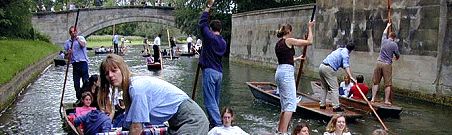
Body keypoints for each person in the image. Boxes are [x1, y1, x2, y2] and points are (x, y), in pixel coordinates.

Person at [98, 54, 209, 134]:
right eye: (106, 73)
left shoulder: (136, 88)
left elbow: (137, 127)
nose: (110, 76)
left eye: (114, 70)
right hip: (175, 122)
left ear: (122, 69)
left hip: (191, 119)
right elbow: (129, 125)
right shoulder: (130, 90)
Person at [274, 22, 314, 134]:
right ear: (289, 31)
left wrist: (297, 58)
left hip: (280, 71)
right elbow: (309, 42)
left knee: (284, 105)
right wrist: (310, 27)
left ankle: (279, 130)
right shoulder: (289, 40)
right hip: (286, 74)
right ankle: (283, 132)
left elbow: (285, 59)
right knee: (291, 105)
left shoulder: (278, 44)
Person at [198, 0, 227, 128]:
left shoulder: (210, 37)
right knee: (215, 101)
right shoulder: (223, 42)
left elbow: (201, 24)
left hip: (209, 72)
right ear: (220, 29)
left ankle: (219, 125)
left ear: (211, 29)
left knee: (209, 102)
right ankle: (213, 124)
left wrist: (208, 8)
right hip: (219, 73)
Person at [319, 41, 356, 112]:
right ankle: (336, 106)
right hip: (328, 69)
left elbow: (341, 64)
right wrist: (350, 76)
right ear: (351, 50)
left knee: (324, 87)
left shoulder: (340, 50)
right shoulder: (346, 54)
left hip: (322, 66)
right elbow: (346, 66)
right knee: (335, 88)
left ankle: (322, 104)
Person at [371, 22, 400, 105]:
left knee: (376, 82)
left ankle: (373, 98)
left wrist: (387, 26)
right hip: (387, 64)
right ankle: (386, 100)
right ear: (394, 38)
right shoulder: (394, 45)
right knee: (388, 84)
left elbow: (384, 33)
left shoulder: (383, 40)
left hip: (379, 62)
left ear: (389, 36)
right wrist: (396, 58)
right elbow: (397, 55)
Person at [64, 26, 89, 101]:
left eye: (74, 31)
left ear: (76, 32)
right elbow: (66, 57)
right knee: (76, 84)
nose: (73, 33)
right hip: (75, 64)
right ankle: (79, 98)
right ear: (69, 33)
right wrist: (69, 53)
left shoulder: (81, 38)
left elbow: (83, 45)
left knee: (86, 82)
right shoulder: (67, 43)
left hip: (83, 63)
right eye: (71, 32)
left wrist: (77, 39)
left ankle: (87, 98)